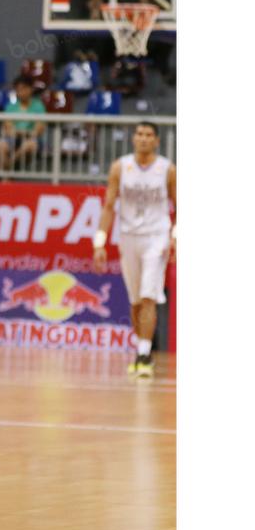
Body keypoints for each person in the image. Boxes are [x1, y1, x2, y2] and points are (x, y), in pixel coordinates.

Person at [93, 122, 176, 378]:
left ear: (157, 141)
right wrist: (99, 241)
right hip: (128, 236)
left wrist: (176, 236)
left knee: (149, 294)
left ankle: (143, 353)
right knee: (136, 300)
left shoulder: (167, 169)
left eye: (149, 135)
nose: (143, 139)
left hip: (156, 236)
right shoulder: (120, 167)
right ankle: (142, 348)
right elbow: (108, 206)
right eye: (139, 134)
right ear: (133, 138)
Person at [0, 77, 46, 173]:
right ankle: (6, 179)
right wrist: (22, 132)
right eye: (18, 89)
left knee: (29, 145)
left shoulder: (38, 106)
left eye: (24, 88)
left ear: (31, 89)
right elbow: (9, 128)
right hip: (13, 138)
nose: (21, 92)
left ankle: (9, 164)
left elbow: (38, 129)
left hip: (31, 139)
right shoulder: (10, 106)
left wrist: (23, 132)